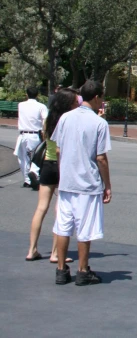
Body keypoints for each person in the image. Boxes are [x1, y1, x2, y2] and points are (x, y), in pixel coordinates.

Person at [52, 80, 112, 286]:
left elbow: (58, 149)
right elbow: (101, 158)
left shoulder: (65, 118)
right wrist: (108, 185)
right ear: (96, 97)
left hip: (67, 182)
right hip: (87, 183)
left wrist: (63, 173)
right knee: (85, 229)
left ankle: (61, 269)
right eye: (102, 98)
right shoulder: (99, 123)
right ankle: (82, 270)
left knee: (63, 226)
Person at [26, 88, 79, 263]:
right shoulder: (68, 120)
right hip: (61, 164)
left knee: (41, 208)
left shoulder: (48, 119)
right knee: (60, 210)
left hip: (47, 165)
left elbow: (45, 138)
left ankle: (32, 249)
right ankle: (55, 253)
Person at [14, 85, 48, 190]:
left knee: (22, 157)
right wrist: (45, 133)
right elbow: (45, 120)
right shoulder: (41, 106)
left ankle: (27, 180)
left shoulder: (21, 105)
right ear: (37, 95)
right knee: (36, 156)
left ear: (26, 94)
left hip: (23, 134)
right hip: (35, 134)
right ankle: (34, 173)